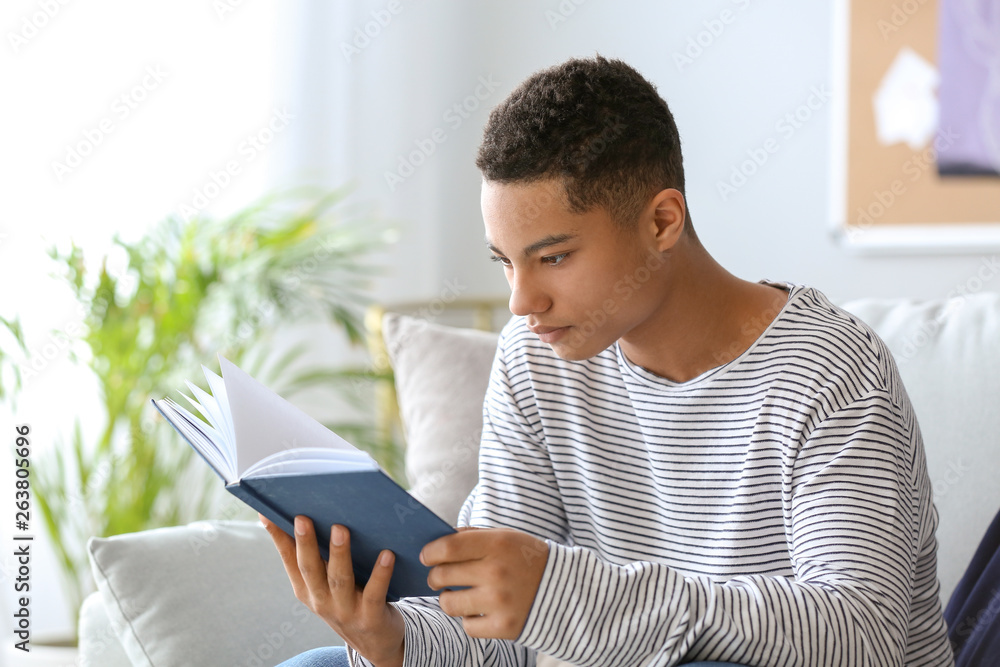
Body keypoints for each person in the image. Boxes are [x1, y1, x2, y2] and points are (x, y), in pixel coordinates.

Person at [262, 55, 954, 666]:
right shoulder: (537, 362)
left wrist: (560, 592)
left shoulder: (829, 370)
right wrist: (390, 639)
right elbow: (499, 640)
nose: (522, 301)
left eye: (553, 257)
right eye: (504, 262)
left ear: (662, 221)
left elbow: (861, 636)